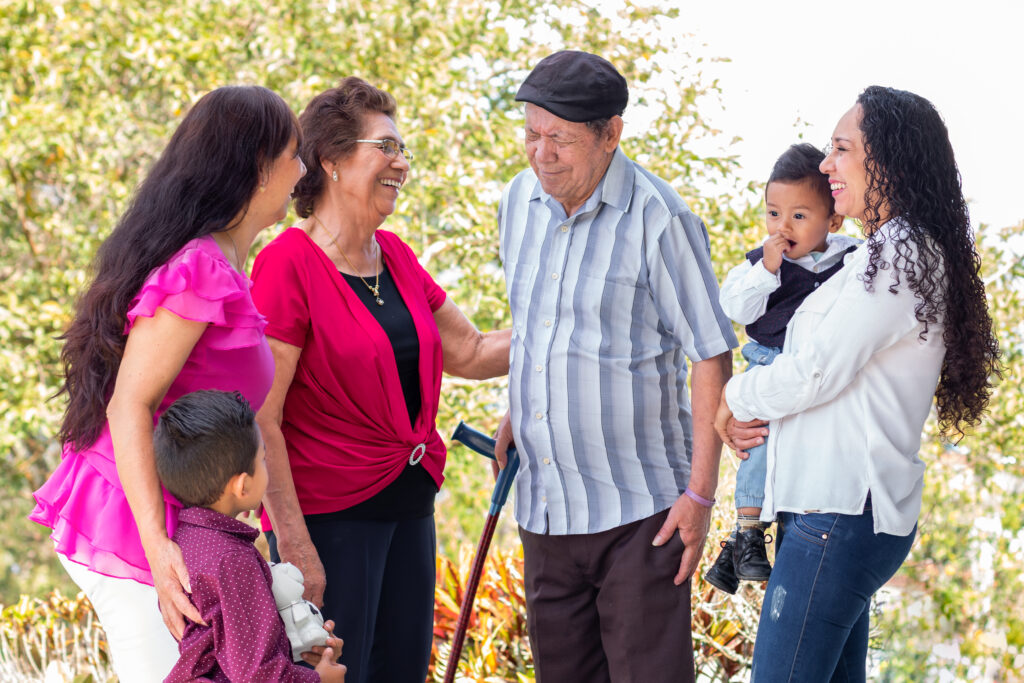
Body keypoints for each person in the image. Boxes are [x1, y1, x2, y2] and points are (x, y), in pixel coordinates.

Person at [714, 86, 1000, 681]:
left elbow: (817, 370)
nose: (825, 165)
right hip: (830, 512)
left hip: (839, 515)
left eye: (841, 149)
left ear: (886, 161)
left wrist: (732, 397)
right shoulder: (884, 251)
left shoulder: (896, 256)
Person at [29, 85, 306, 681]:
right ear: (258, 167)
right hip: (135, 523)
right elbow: (129, 402)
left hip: (180, 522)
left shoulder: (230, 268)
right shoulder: (198, 268)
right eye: (295, 154)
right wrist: (159, 551)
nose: (303, 170)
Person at [250, 76, 511, 683]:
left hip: (411, 509)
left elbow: (471, 351)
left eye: (402, 151)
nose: (401, 163)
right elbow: (261, 414)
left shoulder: (394, 255)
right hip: (330, 524)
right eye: (385, 147)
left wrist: (573, 335)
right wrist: (294, 541)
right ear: (333, 161)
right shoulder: (287, 262)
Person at [493, 50, 736, 682]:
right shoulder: (518, 201)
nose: (541, 154)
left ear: (611, 135)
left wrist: (701, 495)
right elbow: (538, 324)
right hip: (547, 510)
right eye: (532, 134)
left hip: (641, 517)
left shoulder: (662, 220)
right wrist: (520, 407)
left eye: (561, 140)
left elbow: (710, 353)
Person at [703, 143, 859, 594]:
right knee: (756, 441)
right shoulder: (761, 263)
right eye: (774, 213)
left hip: (811, 374)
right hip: (767, 362)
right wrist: (767, 270)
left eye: (798, 216)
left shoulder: (851, 260)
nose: (782, 227)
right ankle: (749, 529)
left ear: (833, 221)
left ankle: (735, 551)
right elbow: (736, 307)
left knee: (790, 453)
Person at [153, 390, 347, 682]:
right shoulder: (232, 560)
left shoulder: (187, 538)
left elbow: (228, 640)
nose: (267, 468)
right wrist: (320, 680)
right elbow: (257, 675)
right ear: (243, 485)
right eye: (263, 460)